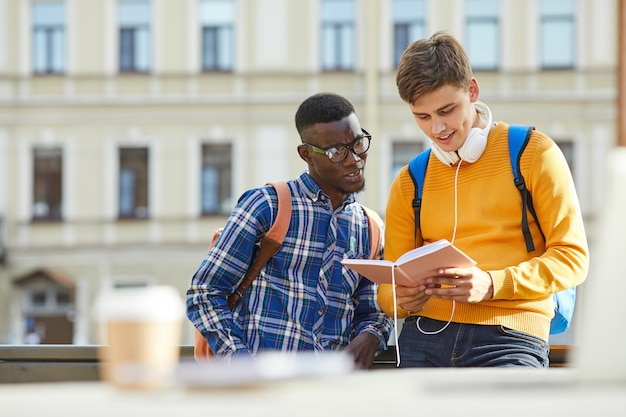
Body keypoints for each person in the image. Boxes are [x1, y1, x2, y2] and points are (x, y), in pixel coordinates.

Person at [378, 31, 589, 367]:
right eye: (423, 117)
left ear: (472, 91)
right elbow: (388, 294)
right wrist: (403, 298)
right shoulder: (409, 182)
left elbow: (573, 258)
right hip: (425, 335)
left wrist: (493, 283)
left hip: (512, 339)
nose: (438, 129)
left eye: (447, 110)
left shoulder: (535, 153)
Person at [187, 92, 392, 369]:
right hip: (262, 391)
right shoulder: (267, 206)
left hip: (332, 393)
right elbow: (204, 293)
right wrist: (241, 362)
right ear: (306, 154)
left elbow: (373, 311)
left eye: (358, 143)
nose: (354, 159)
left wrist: (370, 335)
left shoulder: (370, 227)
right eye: (336, 151)